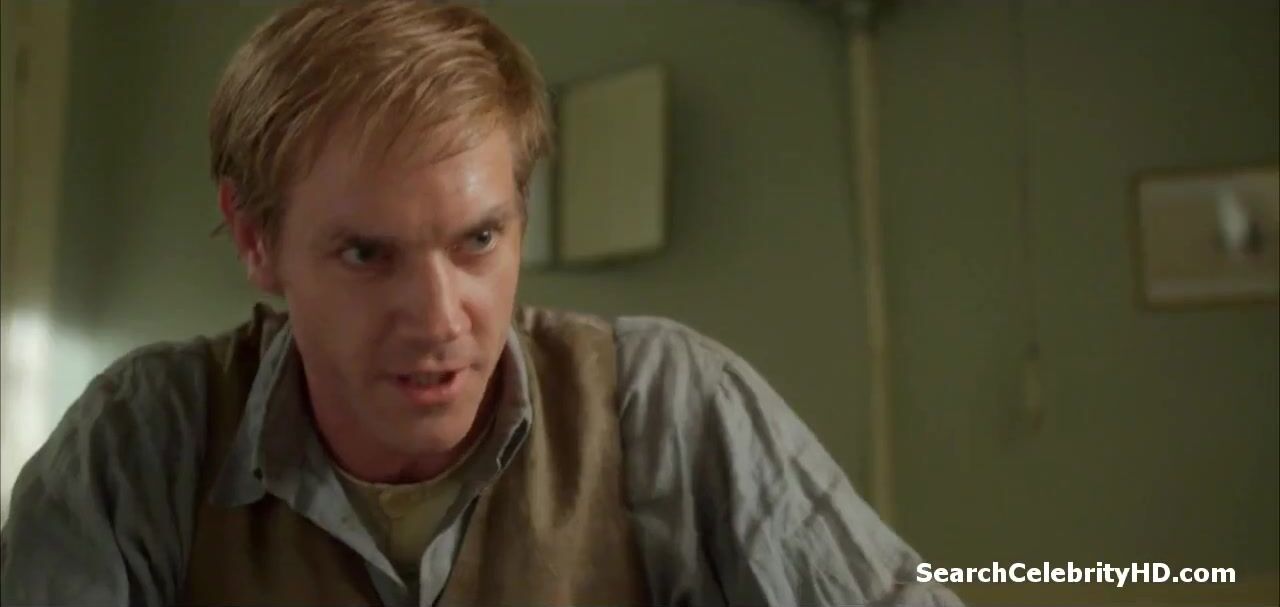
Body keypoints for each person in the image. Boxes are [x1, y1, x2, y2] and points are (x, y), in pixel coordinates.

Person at [0, 1, 962, 605]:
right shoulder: (142, 447)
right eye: (366, 253)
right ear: (255, 239)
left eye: (479, 240)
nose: (439, 318)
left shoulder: (664, 404)